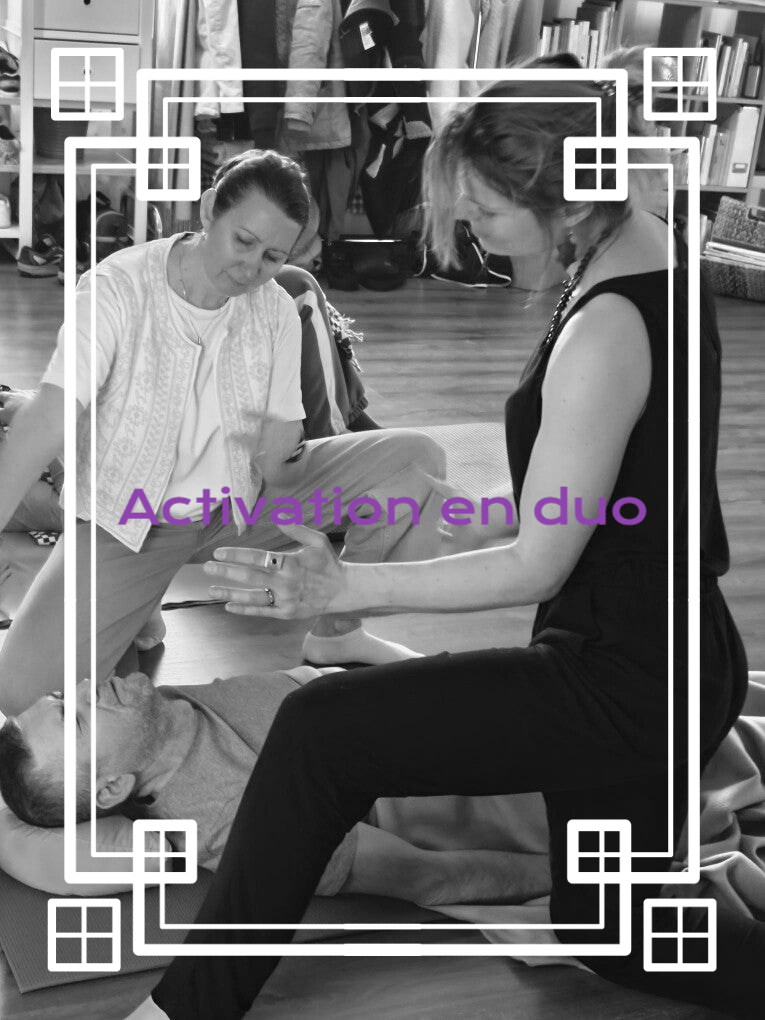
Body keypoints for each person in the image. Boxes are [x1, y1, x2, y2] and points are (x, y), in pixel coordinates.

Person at [122, 76, 761, 1020]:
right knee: (610, 933)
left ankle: (185, 1008)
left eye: (489, 212)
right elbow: (602, 492)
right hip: (676, 654)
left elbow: (538, 563)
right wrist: (457, 513)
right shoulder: (649, 247)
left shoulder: (606, 327)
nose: (472, 230)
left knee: (320, 731)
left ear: (570, 196)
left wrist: (346, 586)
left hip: (624, 680)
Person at [0, 149, 448, 719]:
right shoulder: (113, 289)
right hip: (129, 524)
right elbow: (46, 420)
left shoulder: (275, 309)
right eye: (243, 241)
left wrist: (290, 462)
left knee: (415, 461)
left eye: (272, 256)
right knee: (26, 705)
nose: (252, 268)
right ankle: (136, 603)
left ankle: (338, 634)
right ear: (211, 208)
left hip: (240, 505)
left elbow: (280, 457)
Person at [0, 670, 551, 909]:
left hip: (494, 699)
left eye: (63, 695)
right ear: (113, 787)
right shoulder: (231, 819)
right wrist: (571, 879)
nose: (85, 685)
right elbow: (430, 880)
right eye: (78, 717)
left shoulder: (149, 717)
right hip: (528, 786)